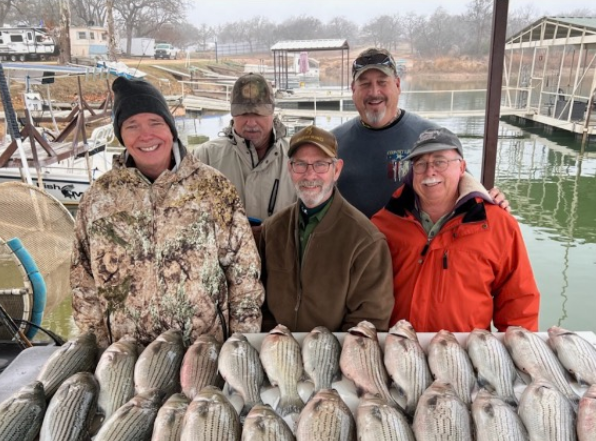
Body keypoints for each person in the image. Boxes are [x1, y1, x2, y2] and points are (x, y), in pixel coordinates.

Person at [71, 76, 264, 348]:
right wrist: (97, 352)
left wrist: (239, 346)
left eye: (155, 123)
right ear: (120, 134)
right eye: (132, 126)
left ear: (171, 129)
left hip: (203, 356)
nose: (145, 135)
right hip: (127, 360)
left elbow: (244, 276)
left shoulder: (214, 189)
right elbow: (83, 284)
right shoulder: (97, 199)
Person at [371, 127, 539, 333]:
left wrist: (521, 353)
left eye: (440, 161)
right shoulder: (384, 223)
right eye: (420, 163)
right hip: (400, 349)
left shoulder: (499, 224)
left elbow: (519, 301)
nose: (430, 171)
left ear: (462, 167)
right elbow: (367, 293)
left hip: (468, 355)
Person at [333, 47, 507, 218]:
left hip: (414, 245)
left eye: (382, 82)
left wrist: (490, 199)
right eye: (365, 84)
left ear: (398, 85)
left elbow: (465, 187)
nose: (374, 92)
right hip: (352, 245)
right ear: (353, 90)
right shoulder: (331, 143)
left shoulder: (432, 138)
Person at [258, 125, 394, 332]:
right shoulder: (271, 229)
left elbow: (369, 319)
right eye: (300, 165)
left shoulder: (366, 240)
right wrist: (275, 341)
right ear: (290, 169)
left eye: (321, 164)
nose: (310, 175)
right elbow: (256, 296)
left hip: (332, 356)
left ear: (337, 169)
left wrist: (326, 353)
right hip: (277, 353)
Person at [193, 73, 296, 222]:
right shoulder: (204, 157)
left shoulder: (296, 157)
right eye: (244, 114)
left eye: (258, 114)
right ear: (233, 114)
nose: (251, 123)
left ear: (272, 112)